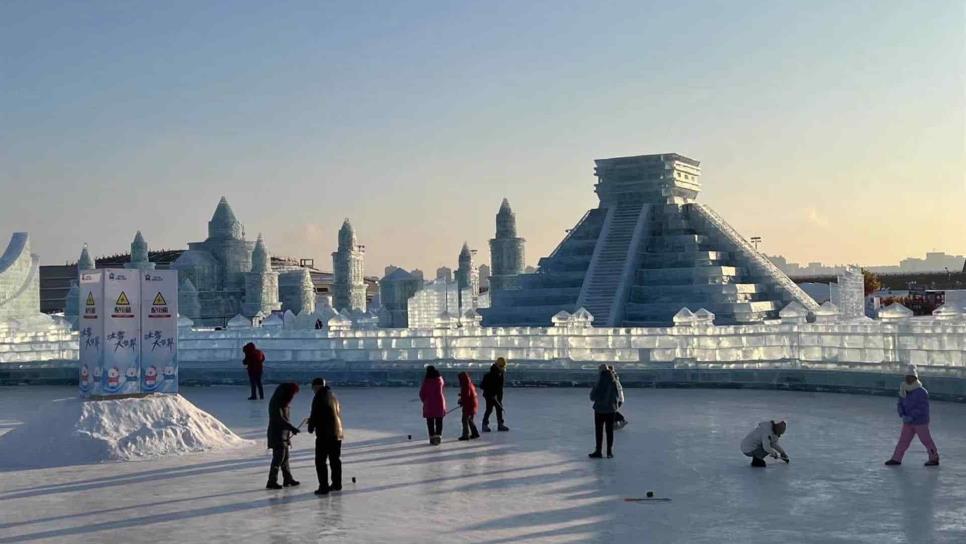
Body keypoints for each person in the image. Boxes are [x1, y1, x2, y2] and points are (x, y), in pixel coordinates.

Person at [885, 365, 940, 467]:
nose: (908, 379)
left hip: (920, 422)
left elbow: (922, 408)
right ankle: (896, 459)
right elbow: (900, 403)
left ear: (915, 378)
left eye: (911, 377)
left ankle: (934, 458)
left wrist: (911, 416)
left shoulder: (921, 392)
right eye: (907, 377)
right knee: (903, 441)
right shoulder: (903, 389)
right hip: (908, 422)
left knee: (926, 440)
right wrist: (902, 414)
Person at [307, 377, 344, 495]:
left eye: (313, 388)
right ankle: (337, 484)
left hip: (324, 434)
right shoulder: (333, 395)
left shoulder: (319, 396)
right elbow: (334, 412)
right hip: (337, 432)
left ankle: (323, 486)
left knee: (320, 461)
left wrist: (311, 427)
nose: (313, 390)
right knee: (335, 460)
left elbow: (315, 413)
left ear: (317, 386)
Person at [266, 382, 301, 489]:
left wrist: (290, 429)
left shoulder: (282, 400)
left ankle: (288, 478)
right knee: (278, 458)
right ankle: (271, 481)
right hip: (277, 434)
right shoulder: (277, 402)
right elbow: (279, 419)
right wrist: (292, 428)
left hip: (283, 434)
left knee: (285, 457)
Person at [589, 364, 623, 458]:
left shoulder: (599, 381)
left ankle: (598, 451)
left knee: (599, 431)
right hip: (611, 410)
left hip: (599, 409)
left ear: (601, 371)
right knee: (609, 431)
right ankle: (609, 452)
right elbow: (617, 394)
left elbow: (592, 396)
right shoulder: (614, 380)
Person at [419, 366, 446, 445]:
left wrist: (425, 400)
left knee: (430, 422)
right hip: (440, 402)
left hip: (429, 404)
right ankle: (438, 437)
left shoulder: (426, 381)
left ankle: (432, 437)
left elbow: (422, 393)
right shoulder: (440, 380)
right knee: (439, 421)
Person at [481, 357, 509, 432]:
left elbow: (499, 386)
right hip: (490, 395)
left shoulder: (501, 373)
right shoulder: (490, 375)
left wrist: (498, 394)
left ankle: (500, 424)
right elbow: (483, 386)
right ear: (497, 365)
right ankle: (484, 425)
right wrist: (492, 393)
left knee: (499, 409)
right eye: (501, 366)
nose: (502, 368)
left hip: (498, 395)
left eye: (503, 367)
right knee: (489, 409)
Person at [457, 372, 481, 441]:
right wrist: (461, 395)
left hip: (469, 405)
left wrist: (461, 401)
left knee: (464, 420)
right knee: (470, 420)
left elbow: (466, 395)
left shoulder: (465, 385)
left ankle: (465, 435)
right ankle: (475, 433)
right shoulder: (469, 383)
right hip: (473, 404)